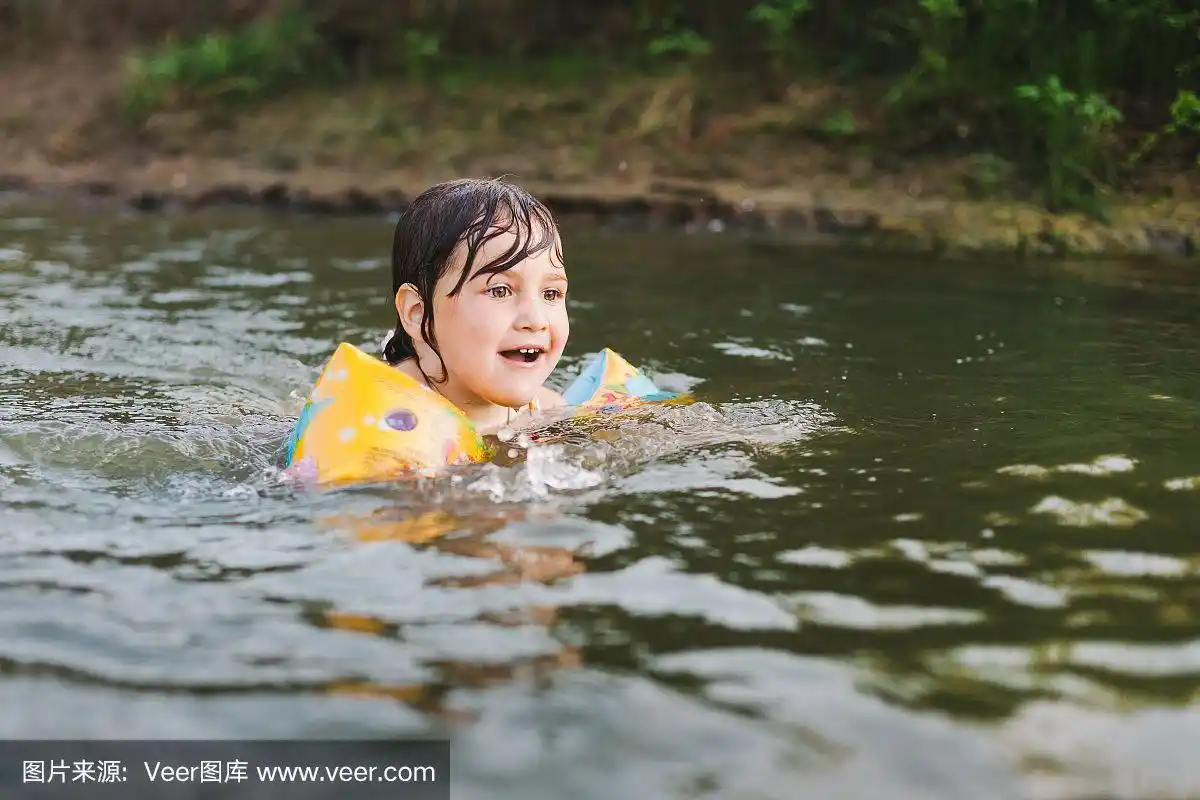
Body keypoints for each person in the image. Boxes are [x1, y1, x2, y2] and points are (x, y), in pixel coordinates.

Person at [380, 177, 569, 435]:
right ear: (417, 312)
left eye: (551, 293)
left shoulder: (549, 410)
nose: (536, 320)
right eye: (499, 290)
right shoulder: (382, 420)